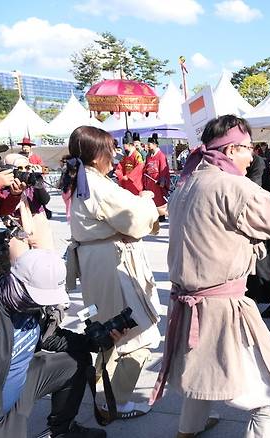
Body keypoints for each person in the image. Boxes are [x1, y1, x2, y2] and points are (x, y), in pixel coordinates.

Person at [150, 114, 270, 438]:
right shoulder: (231, 184)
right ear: (232, 149)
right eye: (248, 148)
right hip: (221, 306)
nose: (252, 156)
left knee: (202, 372)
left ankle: (187, 431)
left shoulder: (187, 181)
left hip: (192, 300)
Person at [62, 126, 164, 421]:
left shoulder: (85, 180)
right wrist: (149, 204)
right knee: (136, 334)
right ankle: (114, 402)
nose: (114, 154)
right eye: (109, 149)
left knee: (106, 330)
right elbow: (133, 218)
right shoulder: (97, 184)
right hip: (111, 265)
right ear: (96, 156)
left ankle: (101, 394)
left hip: (96, 264)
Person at [0, 249, 110, 438]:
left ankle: (62, 431)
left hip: (22, 381)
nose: (42, 303)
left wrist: (92, 342)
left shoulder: (27, 304)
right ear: (19, 284)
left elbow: (48, 337)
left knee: (76, 361)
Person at [244, 154, 270, 318]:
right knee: (252, 260)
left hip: (261, 214)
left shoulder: (258, 161)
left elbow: (254, 186)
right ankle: (254, 294)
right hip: (247, 216)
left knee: (267, 260)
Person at [0, 154, 53, 260]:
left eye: (27, 167)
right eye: (19, 168)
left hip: (37, 221)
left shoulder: (33, 182)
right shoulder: (4, 185)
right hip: (15, 225)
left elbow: (45, 200)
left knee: (47, 259)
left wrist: (38, 183)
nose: (24, 171)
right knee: (19, 263)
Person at [143, 134, 170, 221]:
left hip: (157, 181)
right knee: (152, 199)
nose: (148, 146)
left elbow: (163, 168)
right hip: (150, 181)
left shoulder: (161, 155)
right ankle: (154, 215)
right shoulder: (148, 156)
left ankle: (161, 215)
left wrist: (162, 180)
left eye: (149, 144)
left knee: (159, 198)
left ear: (155, 145)